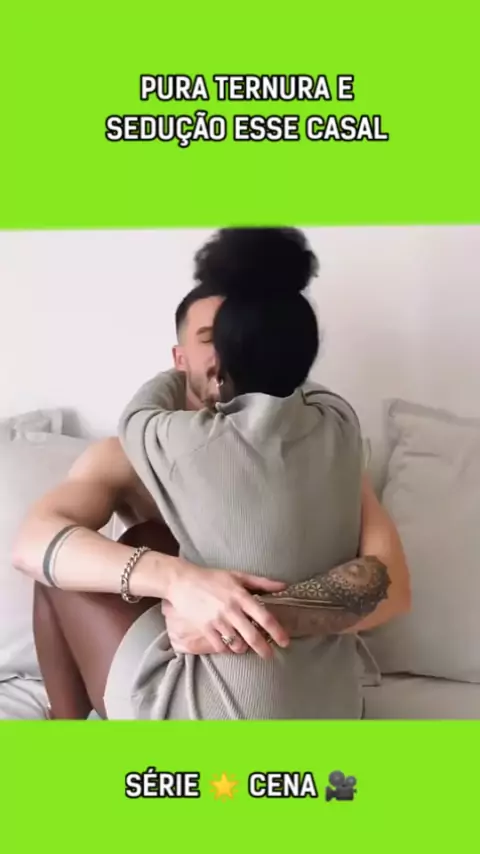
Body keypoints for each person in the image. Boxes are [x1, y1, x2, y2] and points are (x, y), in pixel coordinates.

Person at [13, 228, 411, 719]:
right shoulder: (335, 427)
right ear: (179, 359)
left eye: (239, 338)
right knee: (121, 547)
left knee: (111, 553)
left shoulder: (315, 451)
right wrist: (181, 582)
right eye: (209, 339)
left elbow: (393, 588)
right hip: (300, 700)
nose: (226, 351)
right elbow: (32, 543)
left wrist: (246, 615)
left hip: (243, 699)